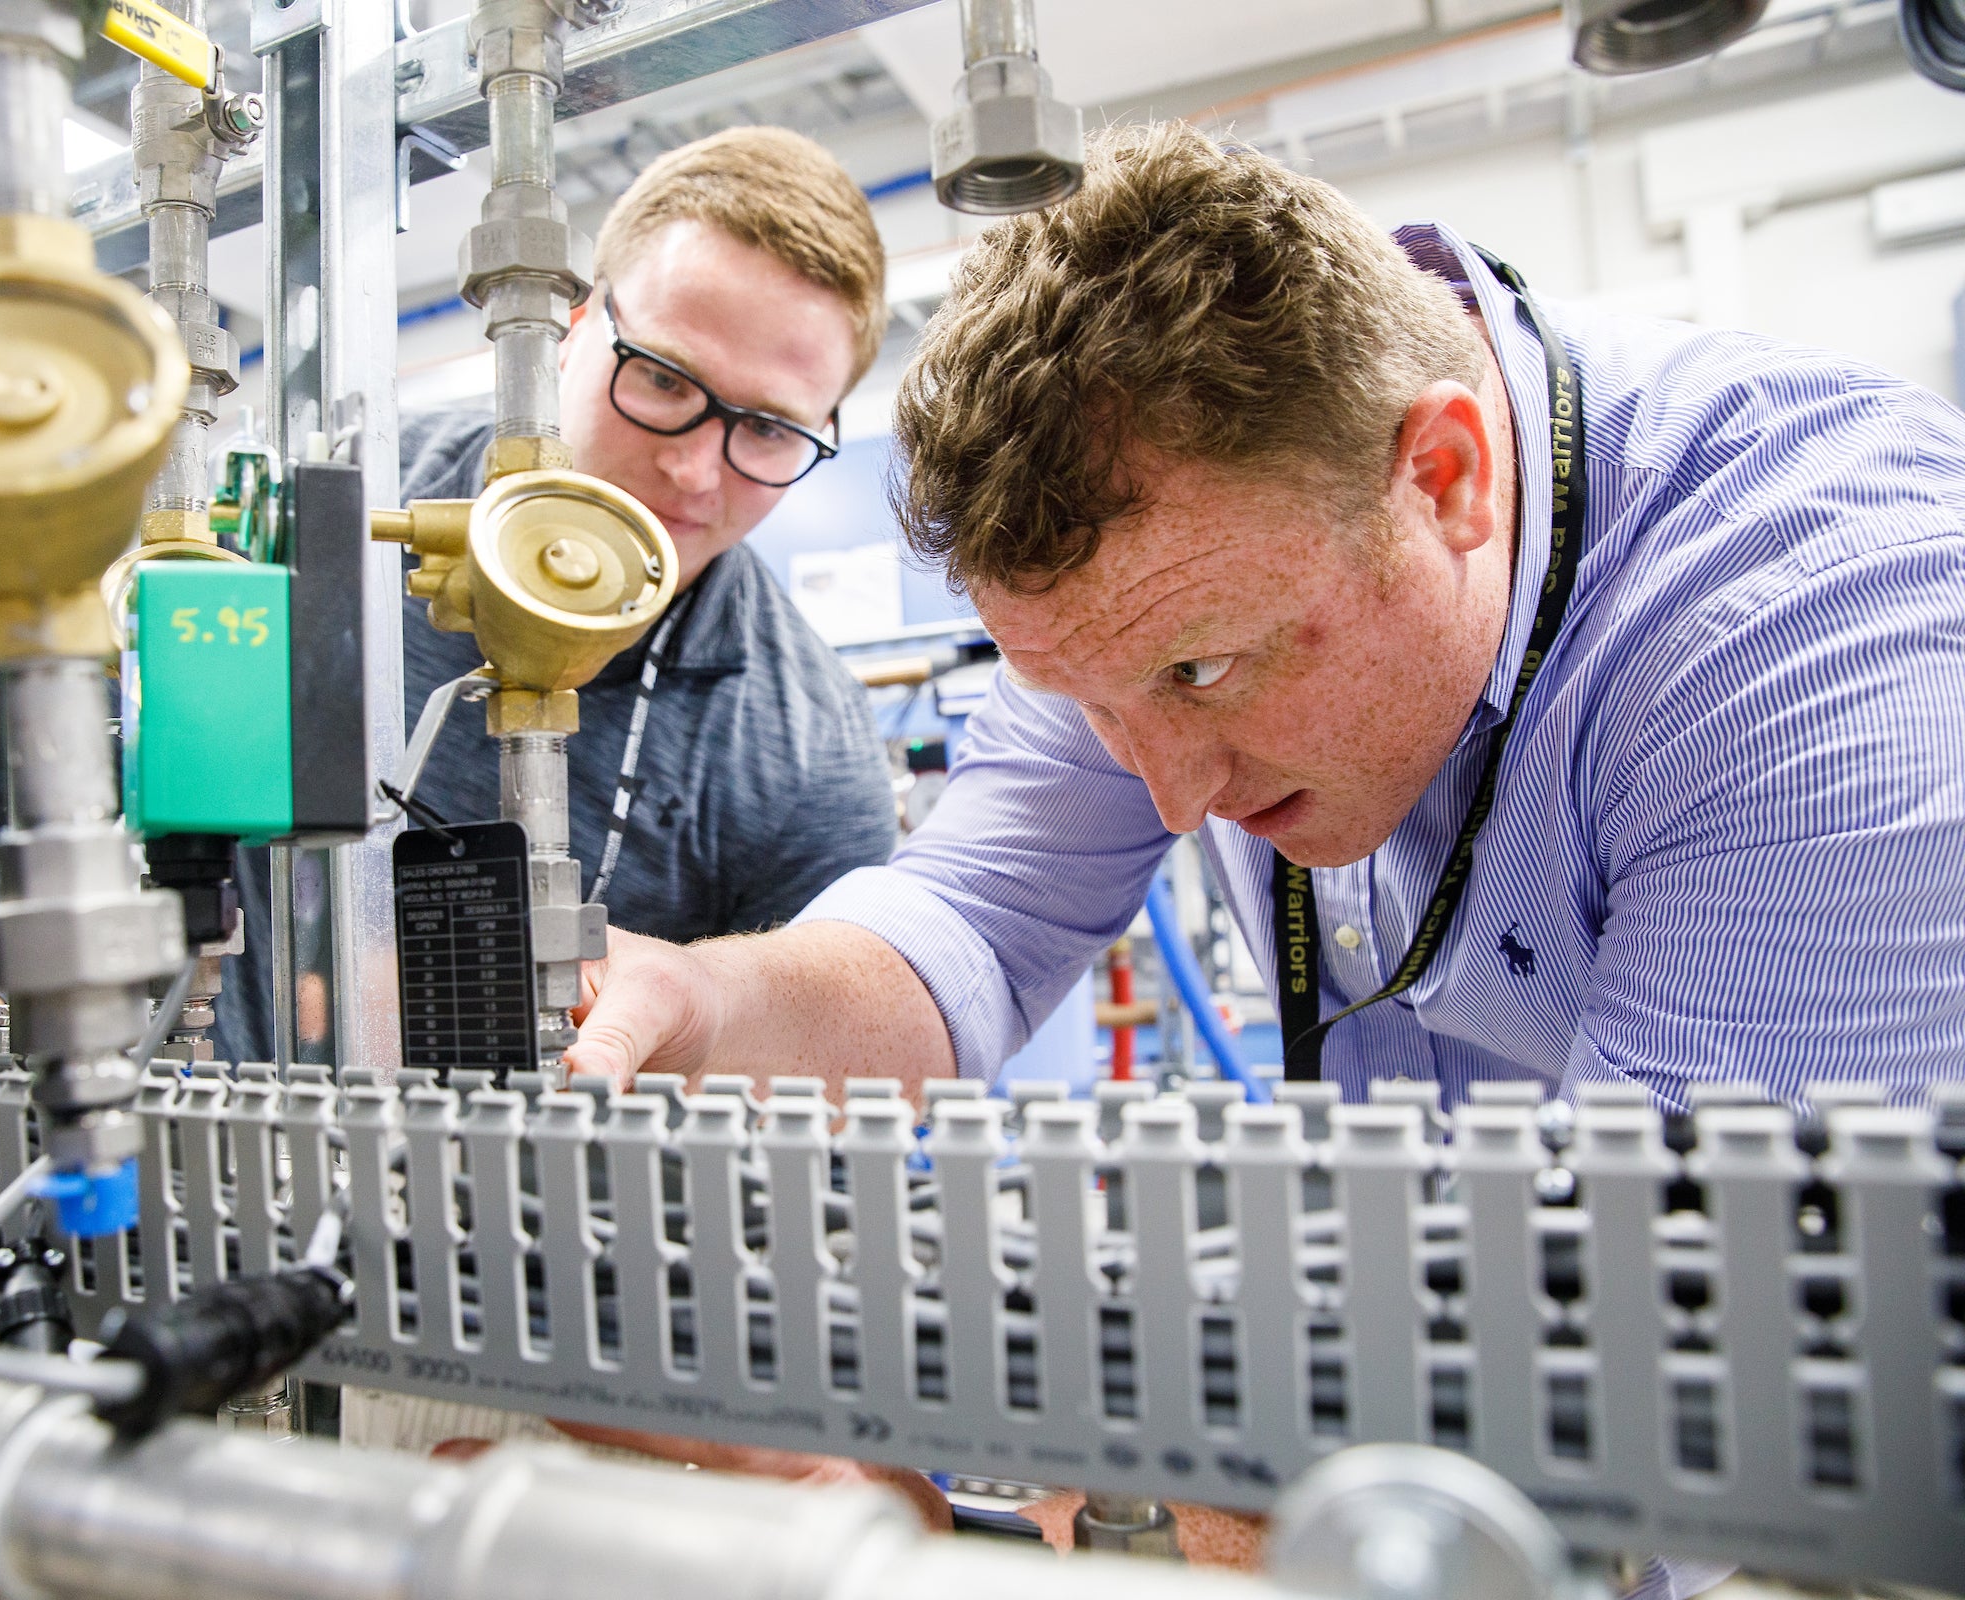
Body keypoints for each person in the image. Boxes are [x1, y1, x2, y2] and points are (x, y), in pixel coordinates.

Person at [561, 119, 1965, 1111]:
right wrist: (694, 1001)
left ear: (1446, 478)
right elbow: (970, 930)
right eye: (1089, 701)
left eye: (1209, 669)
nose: (1169, 794)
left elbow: (1682, 1353)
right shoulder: (1139, 615)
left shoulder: (1828, 647)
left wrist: (1187, 1501)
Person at [213, 126, 899, 1064]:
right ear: (574, 333)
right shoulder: (337, 513)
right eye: (663, 378)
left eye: (772, 431)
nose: (696, 470)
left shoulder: (806, 752)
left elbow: (803, 1100)